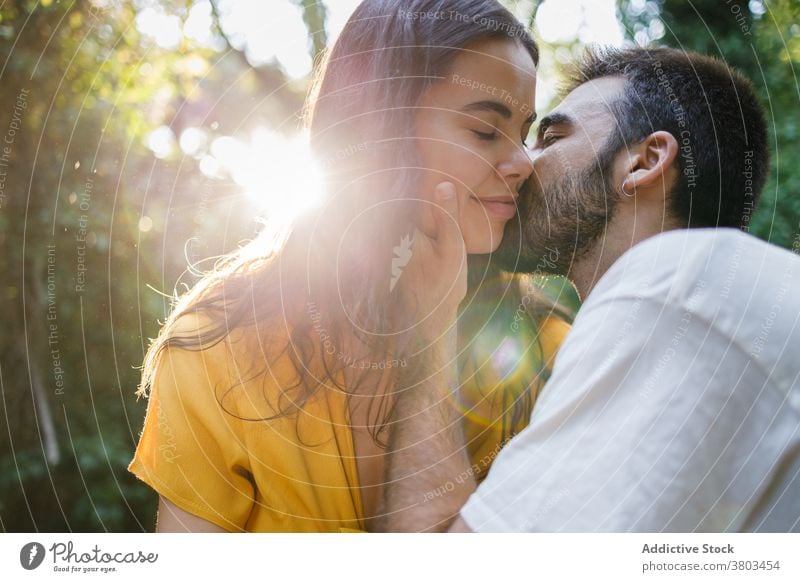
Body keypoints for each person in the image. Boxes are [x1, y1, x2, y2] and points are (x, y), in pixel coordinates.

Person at [128, 0, 571, 532]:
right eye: (484, 131)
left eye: (524, 132)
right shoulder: (224, 338)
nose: (524, 162)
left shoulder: (542, 349)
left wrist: (430, 332)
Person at [378, 46, 800, 532]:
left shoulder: (675, 284)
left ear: (644, 162)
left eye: (550, 138)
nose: (520, 163)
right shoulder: (716, 292)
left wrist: (426, 328)